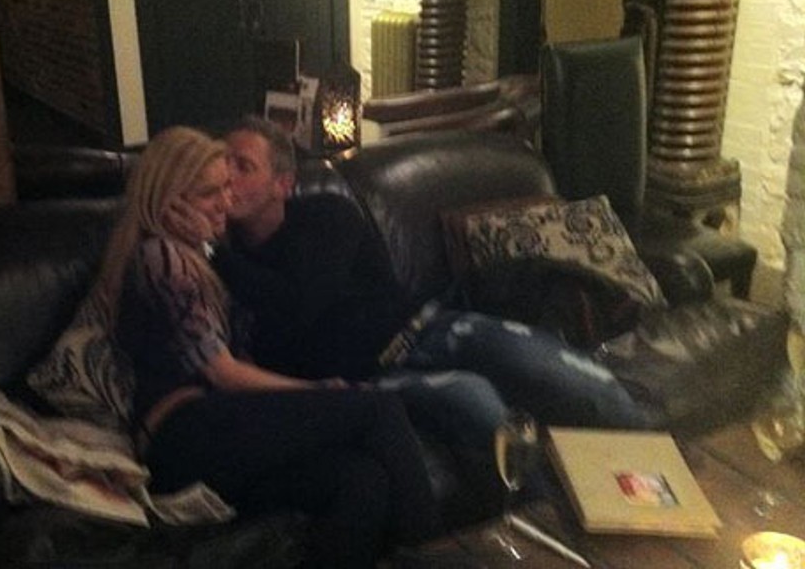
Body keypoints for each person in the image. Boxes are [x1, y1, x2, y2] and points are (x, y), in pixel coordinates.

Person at [211, 115, 655, 503]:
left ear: (283, 184)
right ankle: (547, 528)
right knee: (479, 405)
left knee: (563, 375)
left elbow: (301, 300)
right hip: (377, 378)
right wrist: (214, 248)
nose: (226, 177)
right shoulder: (220, 265)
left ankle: (665, 478)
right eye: (222, 163)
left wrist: (218, 253)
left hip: (431, 328)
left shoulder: (326, 214)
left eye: (243, 166)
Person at [92, 126, 458, 569]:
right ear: (169, 199)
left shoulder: (204, 255)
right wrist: (317, 391)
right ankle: (438, 561)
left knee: (359, 481)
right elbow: (222, 372)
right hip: (182, 434)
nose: (226, 202)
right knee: (378, 409)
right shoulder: (163, 257)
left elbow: (279, 312)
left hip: (216, 427)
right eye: (210, 193)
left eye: (227, 187)